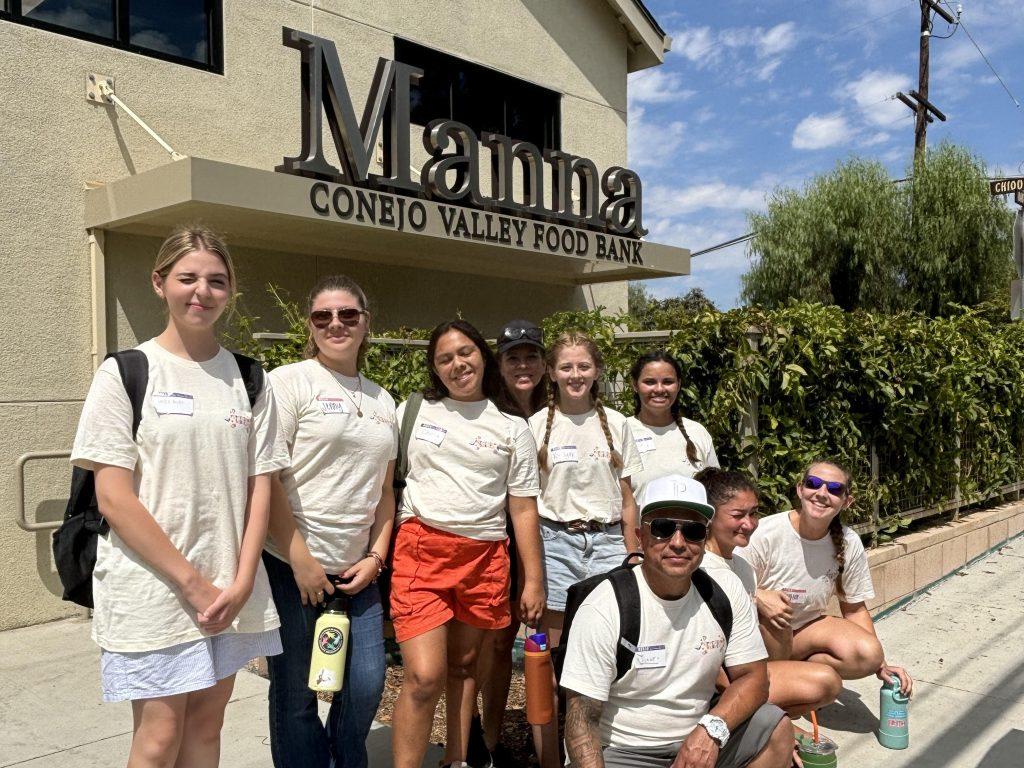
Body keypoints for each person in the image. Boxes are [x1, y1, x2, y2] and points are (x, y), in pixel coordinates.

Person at [70, 225, 288, 767]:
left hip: (230, 587)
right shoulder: (126, 373)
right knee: (158, 739)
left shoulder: (249, 378)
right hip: (156, 589)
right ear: (159, 283)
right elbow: (114, 498)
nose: (202, 292)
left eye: (216, 281)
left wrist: (240, 581)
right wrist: (191, 584)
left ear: (230, 290)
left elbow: (260, 485)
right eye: (187, 278)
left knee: (206, 729)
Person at [389, 319, 546, 768]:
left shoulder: (512, 426)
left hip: (485, 558)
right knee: (423, 675)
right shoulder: (414, 411)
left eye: (465, 353)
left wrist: (532, 580)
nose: (457, 364)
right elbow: (386, 483)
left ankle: (456, 761)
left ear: (483, 355)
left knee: (464, 669)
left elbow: (522, 508)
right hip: (421, 549)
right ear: (434, 369)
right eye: (444, 359)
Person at [560, 474, 793, 768]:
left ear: (705, 537)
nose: (678, 542)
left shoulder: (724, 591)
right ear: (640, 537)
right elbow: (582, 718)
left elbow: (755, 679)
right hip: (624, 751)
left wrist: (712, 730)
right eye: (663, 528)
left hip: (698, 736)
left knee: (775, 728)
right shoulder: (605, 606)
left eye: (693, 531)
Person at [262, 276, 398, 768]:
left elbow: (386, 493)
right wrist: (300, 561)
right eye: (323, 317)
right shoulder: (289, 382)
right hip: (291, 565)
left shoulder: (385, 401)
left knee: (364, 685)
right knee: (297, 692)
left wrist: (377, 557)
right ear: (311, 326)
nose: (336, 324)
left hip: (357, 570)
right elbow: (269, 479)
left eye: (348, 315)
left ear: (366, 322)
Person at [528, 330, 642, 768]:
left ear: (596, 372)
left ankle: (600, 745)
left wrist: (632, 551)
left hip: (610, 541)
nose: (575, 375)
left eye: (584, 366)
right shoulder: (535, 426)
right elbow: (526, 500)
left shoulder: (618, 424)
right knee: (553, 655)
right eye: (566, 367)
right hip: (554, 541)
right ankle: (551, 754)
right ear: (552, 374)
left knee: (609, 643)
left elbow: (628, 497)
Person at [737, 460, 913, 698]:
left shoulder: (849, 543)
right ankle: (766, 691)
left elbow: (854, 608)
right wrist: (757, 596)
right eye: (814, 484)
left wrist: (881, 665)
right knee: (778, 614)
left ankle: (789, 680)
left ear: (846, 501)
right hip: (759, 636)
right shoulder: (765, 534)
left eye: (834, 489)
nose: (822, 493)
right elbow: (725, 585)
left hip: (803, 633)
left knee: (869, 654)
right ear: (800, 489)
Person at [695, 467, 842, 719]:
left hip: (746, 669)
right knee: (825, 681)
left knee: (826, 681)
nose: (749, 524)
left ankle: (767, 716)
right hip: (717, 685)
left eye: (754, 513)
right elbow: (706, 656)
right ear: (709, 517)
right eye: (738, 515)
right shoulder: (703, 569)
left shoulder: (741, 566)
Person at [470, 319, 548, 768]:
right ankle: (482, 736)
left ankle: (513, 734)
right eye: (513, 356)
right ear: (498, 364)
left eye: (531, 356)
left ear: (543, 362)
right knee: (492, 643)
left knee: (531, 641)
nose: (523, 365)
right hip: (493, 537)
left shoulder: (558, 410)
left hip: (541, 543)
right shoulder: (485, 408)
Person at [628, 350, 718, 500]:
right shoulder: (622, 431)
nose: (659, 389)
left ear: (679, 384)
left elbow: (714, 492)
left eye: (668, 382)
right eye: (650, 382)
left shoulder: (697, 432)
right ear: (635, 385)